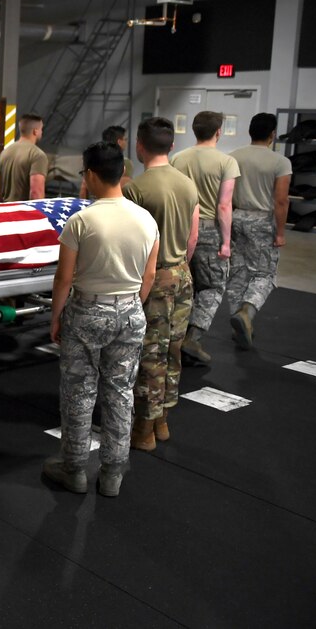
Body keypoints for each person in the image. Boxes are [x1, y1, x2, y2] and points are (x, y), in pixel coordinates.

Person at [43, 142, 159, 497]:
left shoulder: (82, 220)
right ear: (121, 174)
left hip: (85, 313)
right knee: (120, 393)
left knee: (79, 392)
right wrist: (129, 307)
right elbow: (149, 276)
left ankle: (74, 469)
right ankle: (112, 474)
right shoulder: (145, 218)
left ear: (90, 175)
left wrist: (56, 317)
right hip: (129, 311)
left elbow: (64, 278)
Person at [122, 118, 199, 451]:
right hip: (182, 273)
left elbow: (132, 243)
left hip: (154, 277)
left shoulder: (135, 188)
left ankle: (144, 427)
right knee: (172, 350)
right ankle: (163, 418)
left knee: (149, 353)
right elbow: (192, 237)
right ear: (171, 147)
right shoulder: (187, 184)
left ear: (139, 145)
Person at [171, 111, 241, 364]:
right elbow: (224, 206)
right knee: (212, 287)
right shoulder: (227, 162)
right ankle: (193, 339)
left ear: (194, 130)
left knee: (184, 285)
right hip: (209, 229)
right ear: (218, 132)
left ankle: (174, 338)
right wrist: (225, 242)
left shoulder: (177, 158)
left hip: (180, 228)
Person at [225, 113, 292, 348]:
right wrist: (281, 232)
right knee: (265, 274)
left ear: (250, 131)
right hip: (262, 220)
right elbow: (281, 200)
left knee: (238, 272)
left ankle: (239, 324)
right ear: (272, 134)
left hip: (236, 217)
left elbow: (225, 195)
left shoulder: (233, 158)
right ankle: (247, 313)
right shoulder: (280, 162)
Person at [0, 112, 47, 202]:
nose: (42, 132)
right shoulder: (37, 155)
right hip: (23, 213)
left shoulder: (5, 152)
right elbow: (36, 193)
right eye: (41, 129)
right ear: (35, 131)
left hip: (5, 210)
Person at [79, 125, 134, 197]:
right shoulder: (126, 163)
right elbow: (126, 186)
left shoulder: (93, 160)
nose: (126, 142)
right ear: (119, 142)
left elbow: (84, 188)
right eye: (125, 139)